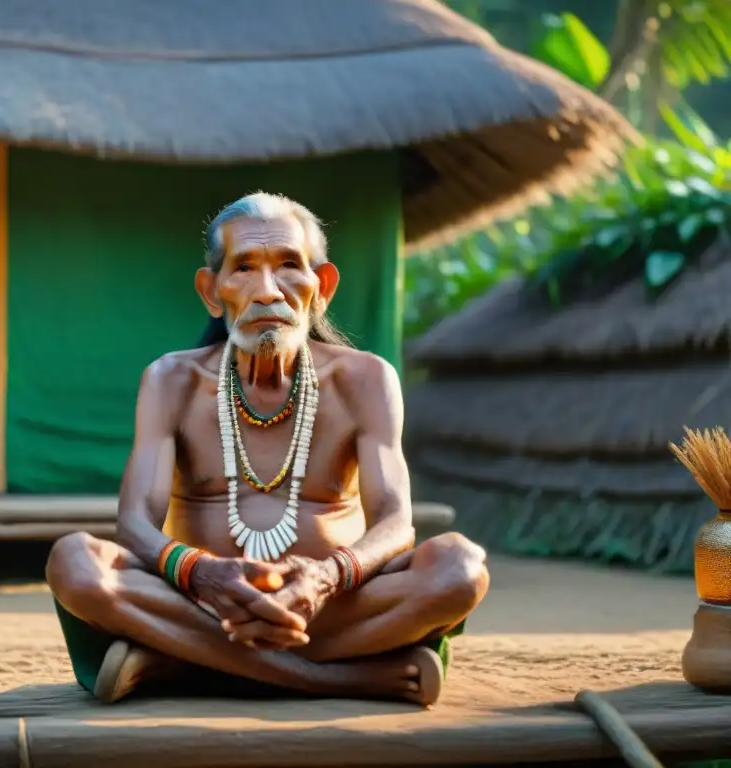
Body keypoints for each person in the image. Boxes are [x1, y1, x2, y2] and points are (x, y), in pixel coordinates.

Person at [47, 193, 489, 706]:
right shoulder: (171, 380)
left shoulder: (365, 379)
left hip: (330, 605)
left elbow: (395, 521)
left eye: (288, 267)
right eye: (244, 269)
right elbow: (136, 523)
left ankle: (183, 663)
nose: (267, 291)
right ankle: (342, 678)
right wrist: (203, 573)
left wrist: (324, 578)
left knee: (460, 568)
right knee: (75, 562)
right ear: (212, 292)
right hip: (201, 600)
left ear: (321, 287)